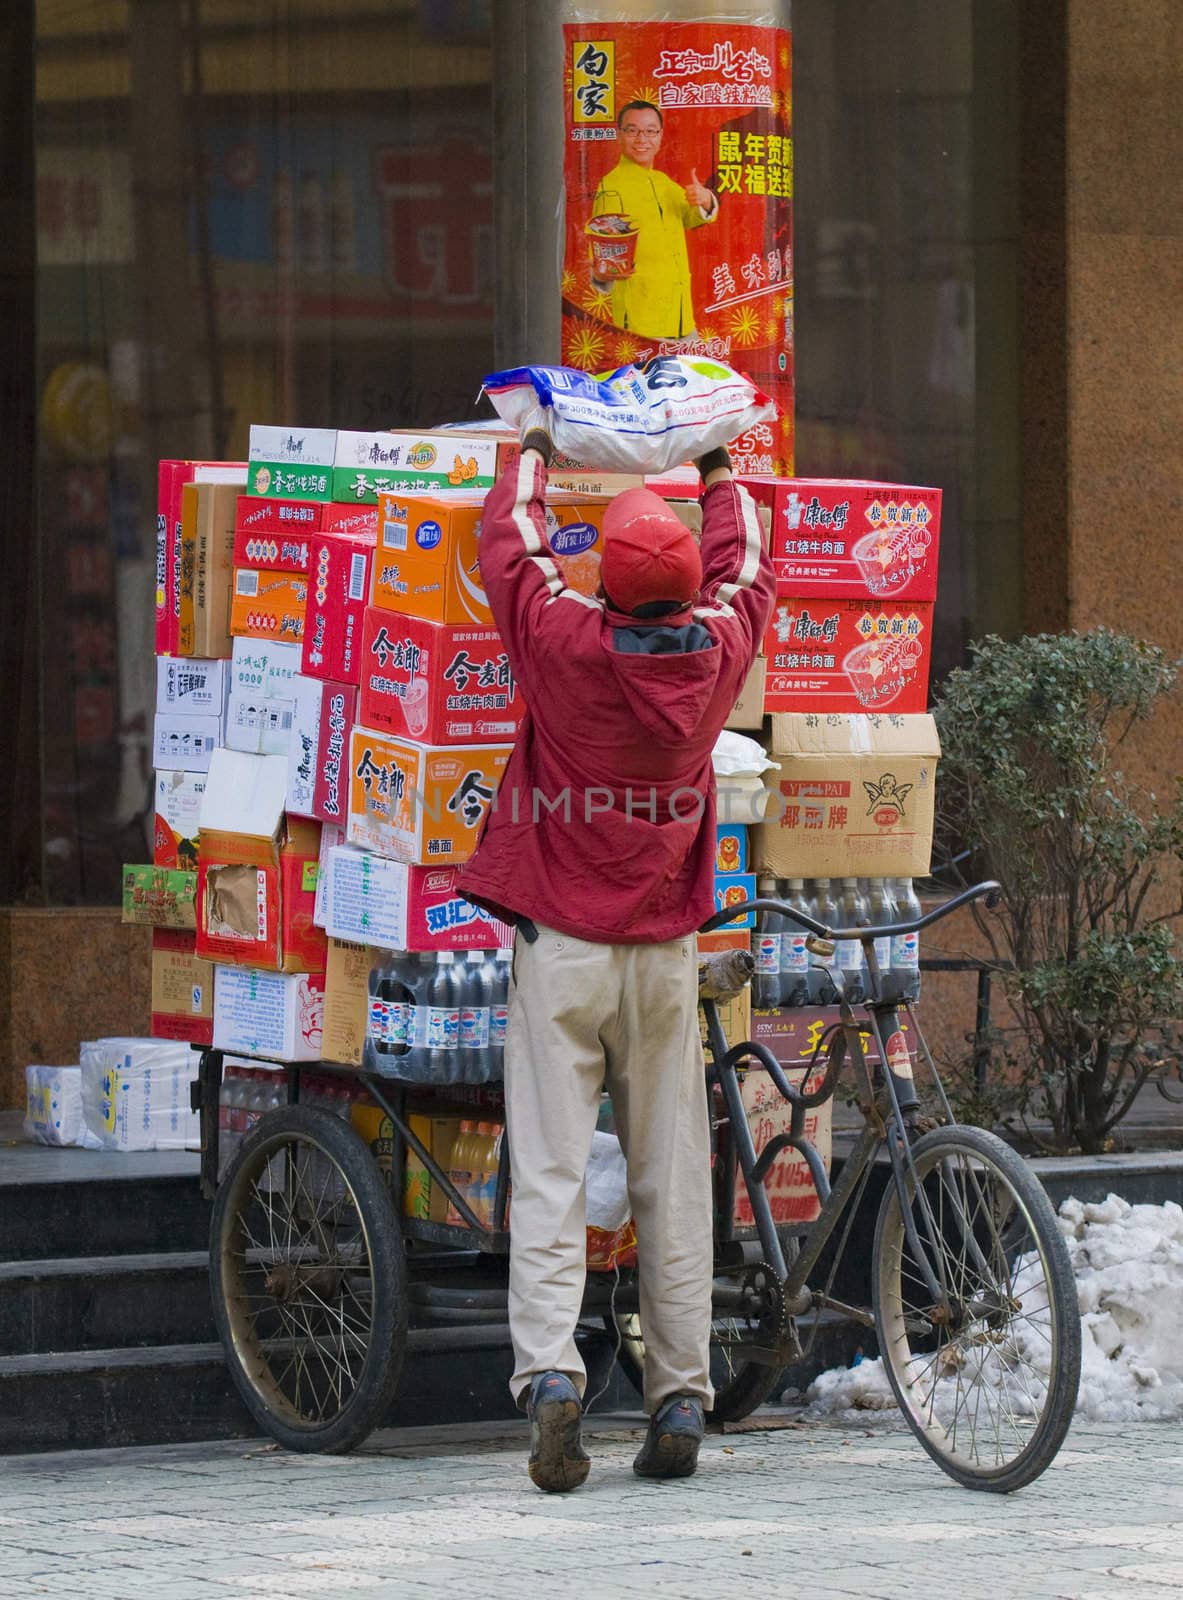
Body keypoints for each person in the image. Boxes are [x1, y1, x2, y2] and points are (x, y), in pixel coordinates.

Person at [459, 425, 775, 1493]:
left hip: (562, 947)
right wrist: (720, 474)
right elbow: (751, 567)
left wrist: (533, 451)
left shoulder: (562, 640)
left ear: (605, 576)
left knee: (549, 1166)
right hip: (662, 951)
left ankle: (552, 1377)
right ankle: (677, 1391)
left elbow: (508, 542)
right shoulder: (719, 648)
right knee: (671, 1176)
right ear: (686, 585)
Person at [590, 100, 718, 341]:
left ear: (660, 137)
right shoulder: (611, 187)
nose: (642, 139)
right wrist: (605, 272)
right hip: (642, 321)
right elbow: (603, 257)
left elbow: (690, 218)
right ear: (620, 135)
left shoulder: (662, 182)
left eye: (650, 131)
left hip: (680, 315)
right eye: (633, 130)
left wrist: (704, 199)